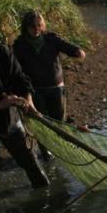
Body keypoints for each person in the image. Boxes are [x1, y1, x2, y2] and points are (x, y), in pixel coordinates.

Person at [0, 18, 49, 199]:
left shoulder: (0, 51)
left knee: (31, 162)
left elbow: (21, 79)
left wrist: (29, 101)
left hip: (8, 117)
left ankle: (46, 199)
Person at [12, 10, 86, 159]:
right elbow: (16, 69)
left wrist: (78, 51)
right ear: (25, 27)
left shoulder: (52, 39)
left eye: (39, 26)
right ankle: (46, 151)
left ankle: (60, 148)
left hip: (56, 88)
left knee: (59, 121)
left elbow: (69, 48)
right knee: (41, 122)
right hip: (35, 90)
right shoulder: (19, 45)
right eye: (32, 26)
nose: (36, 29)